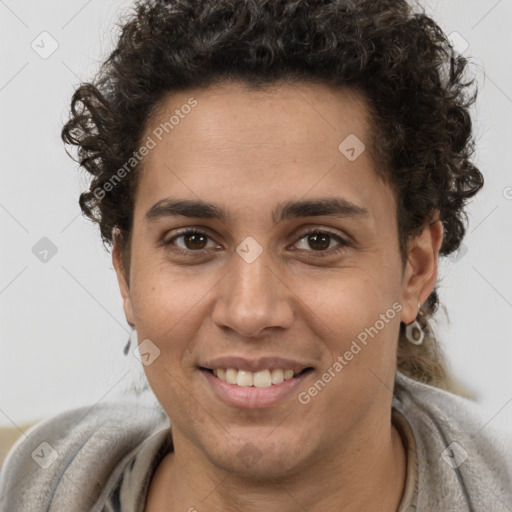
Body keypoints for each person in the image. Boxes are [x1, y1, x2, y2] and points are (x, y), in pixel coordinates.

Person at [1, 0, 511, 510]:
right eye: (193, 240)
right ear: (125, 273)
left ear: (415, 271)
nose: (250, 312)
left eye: (318, 241)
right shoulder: (30, 487)